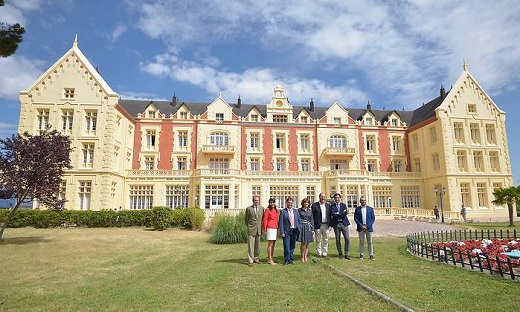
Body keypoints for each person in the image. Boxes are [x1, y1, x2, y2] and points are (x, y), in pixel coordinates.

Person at [279, 197, 301, 265]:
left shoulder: (296, 211)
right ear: (286, 203)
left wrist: (299, 228)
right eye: (288, 202)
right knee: (286, 245)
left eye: (291, 203)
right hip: (286, 231)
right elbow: (281, 222)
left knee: (292, 245)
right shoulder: (283, 211)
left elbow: (298, 220)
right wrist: (282, 232)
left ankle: (291, 259)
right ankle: (286, 259)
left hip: (294, 230)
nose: (290, 204)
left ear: (293, 203)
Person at [354, 195, 376, 260]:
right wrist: (361, 226)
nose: (363, 201)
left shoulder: (370, 209)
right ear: (360, 201)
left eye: (364, 200)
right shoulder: (357, 209)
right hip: (360, 228)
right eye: (362, 200)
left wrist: (368, 226)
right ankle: (361, 254)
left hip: (368, 228)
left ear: (366, 201)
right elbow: (355, 218)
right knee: (361, 242)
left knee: (370, 242)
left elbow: (373, 218)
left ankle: (371, 255)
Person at [329, 193, 351, 259]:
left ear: (340, 198)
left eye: (338, 198)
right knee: (338, 239)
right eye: (335, 198)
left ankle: (346, 253)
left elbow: (345, 213)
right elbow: (333, 214)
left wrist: (338, 213)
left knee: (347, 239)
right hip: (336, 224)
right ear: (334, 199)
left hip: (344, 224)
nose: (337, 199)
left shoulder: (343, 205)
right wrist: (340, 213)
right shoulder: (332, 206)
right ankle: (340, 253)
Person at [245, 195, 263, 266]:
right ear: (253, 201)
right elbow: (246, 219)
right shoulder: (248, 209)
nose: (256, 201)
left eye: (257, 200)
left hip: (258, 229)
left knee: (257, 245)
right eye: (255, 200)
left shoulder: (262, 208)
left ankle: (256, 258)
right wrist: (249, 226)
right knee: (251, 246)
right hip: (251, 229)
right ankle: (250, 260)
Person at [311, 193, 331, 258]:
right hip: (318, 225)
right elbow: (312, 216)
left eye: (324, 196)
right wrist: (313, 226)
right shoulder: (314, 205)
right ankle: (319, 253)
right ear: (319, 197)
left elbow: (330, 216)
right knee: (318, 240)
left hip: (326, 225)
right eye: (321, 196)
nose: (323, 198)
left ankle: (325, 253)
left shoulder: (328, 205)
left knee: (326, 239)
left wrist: (330, 225)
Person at [262, 198, 279, 265]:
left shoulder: (276, 210)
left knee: (273, 244)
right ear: (269, 203)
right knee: (270, 244)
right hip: (270, 228)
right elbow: (265, 220)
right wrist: (265, 229)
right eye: (271, 202)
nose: (272, 204)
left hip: (275, 228)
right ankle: (269, 259)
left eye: (273, 202)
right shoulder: (267, 210)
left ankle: (271, 257)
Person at [298, 198, 314, 263]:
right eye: (305, 202)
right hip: (302, 227)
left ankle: (305, 256)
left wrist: (312, 229)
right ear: (303, 203)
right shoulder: (299, 210)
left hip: (309, 227)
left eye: (307, 202)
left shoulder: (310, 211)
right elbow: (298, 219)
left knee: (307, 243)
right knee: (303, 243)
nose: (306, 203)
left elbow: (312, 220)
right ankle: (302, 257)